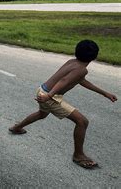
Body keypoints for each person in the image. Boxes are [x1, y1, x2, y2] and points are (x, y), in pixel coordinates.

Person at [9, 39, 117, 169]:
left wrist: (104, 93)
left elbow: (80, 81)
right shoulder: (82, 69)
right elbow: (64, 80)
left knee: (41, 114)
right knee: (82, 122)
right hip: (50, 95)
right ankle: (78, 155)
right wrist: (49, 96)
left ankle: (17, 127)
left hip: (43, 90)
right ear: (95, 56)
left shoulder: (73, 62)